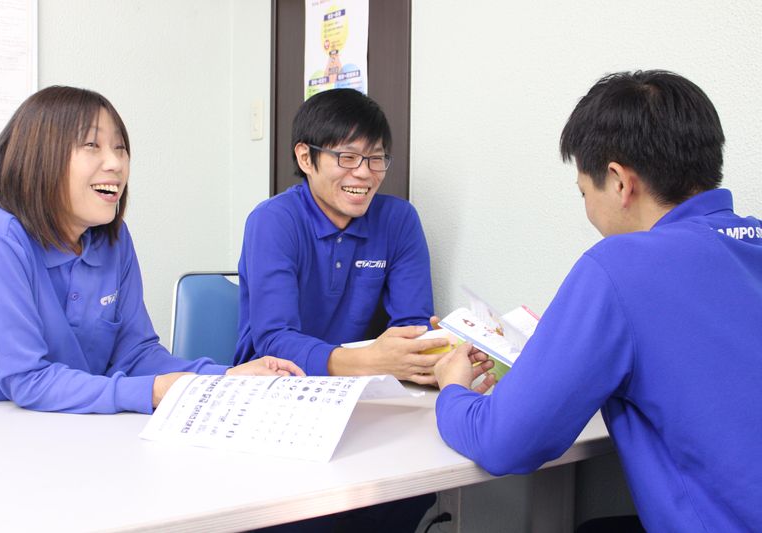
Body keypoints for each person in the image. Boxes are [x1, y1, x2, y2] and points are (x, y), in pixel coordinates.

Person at [433, 70, 762, 531]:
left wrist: (452, 391)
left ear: (619, 181)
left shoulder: (621, 266)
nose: (588, 208)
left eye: (584, 193)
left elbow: (506, 442)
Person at [0, 86, 303, 414]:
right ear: (39, 157)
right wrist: (154, 390)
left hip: (73, 431)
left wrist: (224, 379)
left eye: (120, 147)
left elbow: (137, 355)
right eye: (92, 145)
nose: (115, 163)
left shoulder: (113, 239)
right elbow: (28, 380)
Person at [234, 88, 448, 383]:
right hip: (277, 385)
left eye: (376, 158)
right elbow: (275, 340)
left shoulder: (399, 220)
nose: (364, 173)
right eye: (348, 157)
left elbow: (413, 325)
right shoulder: (274, 220)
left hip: (364, 386)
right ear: (306, 158)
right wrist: (369, 361)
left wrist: (429, 356)